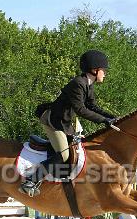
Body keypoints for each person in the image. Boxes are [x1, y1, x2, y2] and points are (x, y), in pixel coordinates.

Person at [20, 50, 119, 196]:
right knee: (64, 155)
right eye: (103, 70)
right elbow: (80, 109)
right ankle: (31, 180)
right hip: (54, 121)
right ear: (94, 69)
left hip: (65, 123)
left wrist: (112, 117)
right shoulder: (78, 84)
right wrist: (103, 120)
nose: (105, 73)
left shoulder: (88, 84)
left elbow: (93, 107)